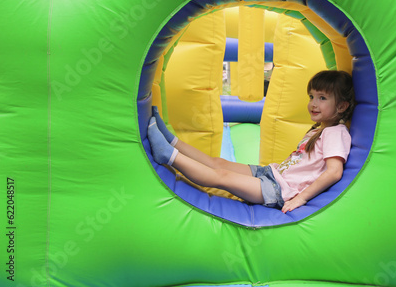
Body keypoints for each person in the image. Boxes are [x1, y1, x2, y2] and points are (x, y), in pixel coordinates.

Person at [147, 70, 355, 213]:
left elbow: (334, 171)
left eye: (322, 98)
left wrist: (301, 198)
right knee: (218, 162)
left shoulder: (336, 133)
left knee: (222, 176)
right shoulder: (320, 129)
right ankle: (172, 140)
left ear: (342, 106)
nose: (313, 104)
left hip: (279, 191)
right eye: (311, 96)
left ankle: (168, 155)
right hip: (271, 174)